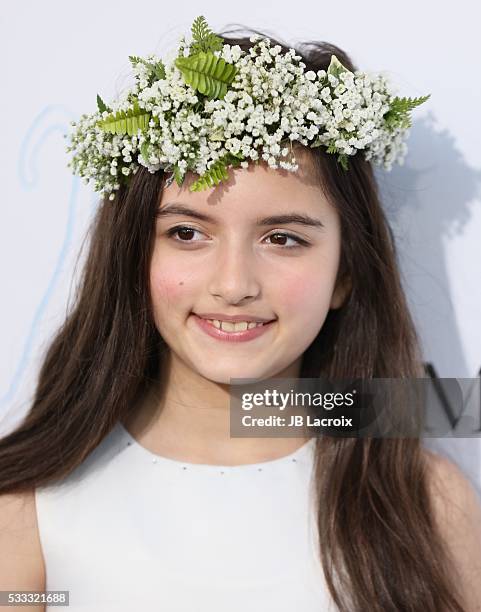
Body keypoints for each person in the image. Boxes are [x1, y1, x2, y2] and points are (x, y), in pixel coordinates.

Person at [1, 15, 481, 612]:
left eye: (283, 239)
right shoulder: (27, 514)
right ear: (133, 256)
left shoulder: (430, 507)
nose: (233, 285)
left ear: (346, 273)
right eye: (186, 232)